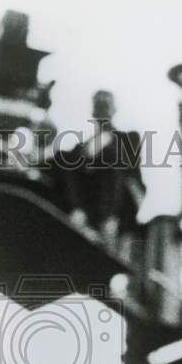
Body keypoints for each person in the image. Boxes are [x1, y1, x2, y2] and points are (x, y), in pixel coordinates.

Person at [57, 90, 145, 250]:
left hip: (115, 216)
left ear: (114, 110)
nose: (103, 110)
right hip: (86, 213)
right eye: (99, 105)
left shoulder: (127, 141)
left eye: (106, 105)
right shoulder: (81, 147)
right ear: (93, 111)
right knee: (62, 159)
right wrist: (77, 208)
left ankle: (107, 221)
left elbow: (132, 179)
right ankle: (80, 215)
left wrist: (112, 217)